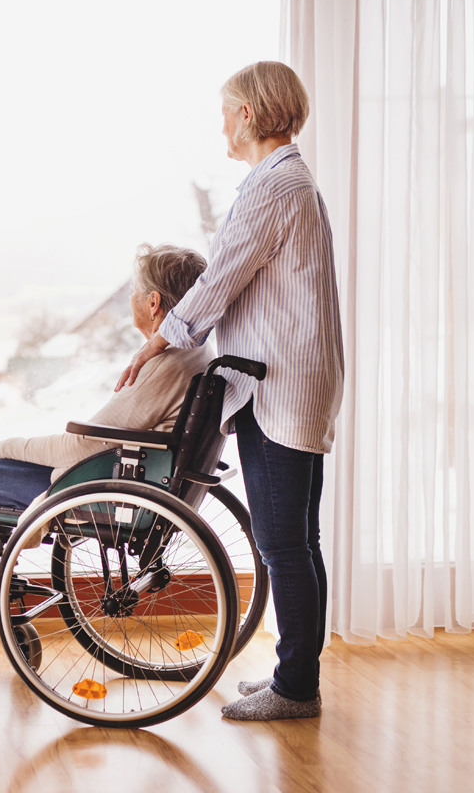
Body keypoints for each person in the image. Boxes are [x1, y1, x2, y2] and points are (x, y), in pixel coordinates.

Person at [116, 61, 343, 721]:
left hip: (279, 387)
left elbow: (217, 281)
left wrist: (160, 340)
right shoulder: (285, 182)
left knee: (283, 543)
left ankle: (296, 688)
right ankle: (295, 676)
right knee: (298, 540)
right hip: (289, 381)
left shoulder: (273, 187)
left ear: (248, 113)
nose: (221, 122)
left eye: (226, 110)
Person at [0, 244, 216, 646]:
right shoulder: (196, 353)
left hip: (105, 486)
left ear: (153, 302)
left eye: (135, 290)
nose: (130, 299)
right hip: (128, 475)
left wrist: (3, 446)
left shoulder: (167, 362)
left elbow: (76, 448)